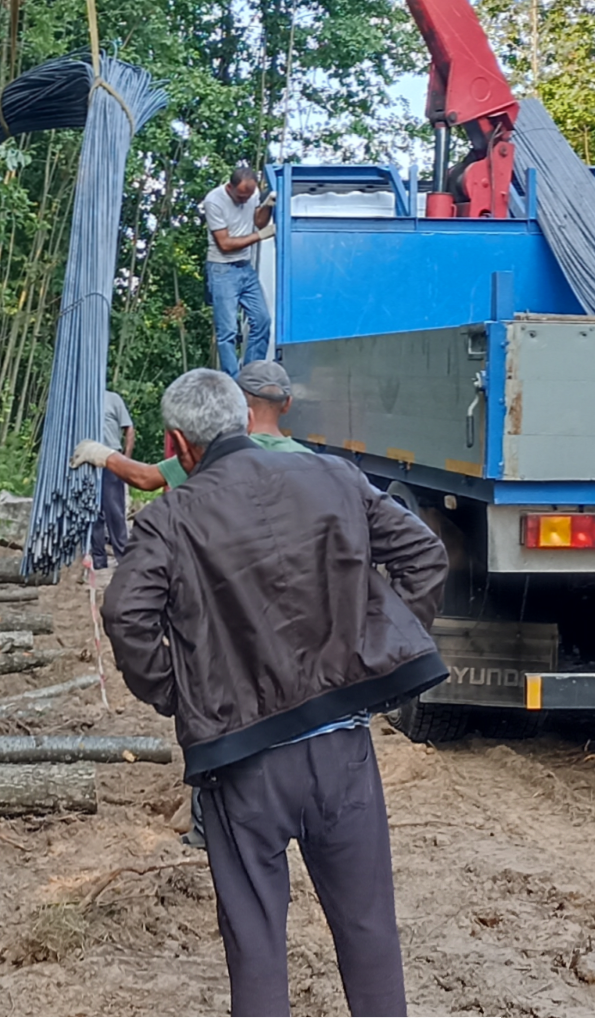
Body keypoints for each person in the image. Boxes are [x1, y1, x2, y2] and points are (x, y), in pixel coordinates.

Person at [101, 369, 448, 1018]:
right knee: (369, 932)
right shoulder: (334, 476)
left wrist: (179, 693)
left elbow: (126, 616)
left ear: (176, 445)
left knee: (256, 947)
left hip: (242, 765)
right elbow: (424, 556)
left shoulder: (169, 520)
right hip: (342, 752)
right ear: (245, 419)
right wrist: (374, 651)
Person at [69, 360, 304, 494]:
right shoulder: (308, 460)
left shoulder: (220, 455)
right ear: (287, 404)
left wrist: (102, 454)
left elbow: (145, 478)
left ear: (238, 400)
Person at [202, 162, 275, 379]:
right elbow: (224, 244)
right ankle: (232, 380)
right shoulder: (214, 201)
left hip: (245, 267)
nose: (244, 201)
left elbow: (259, 223)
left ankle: (251, 375)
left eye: (248, 197)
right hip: (222, 269)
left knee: (262, 321)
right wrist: (259, 237)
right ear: (230, 188)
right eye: (241, 197)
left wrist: (267, 206)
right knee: (228, 332)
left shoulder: (252, 194)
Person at [89, 390, 136, 574]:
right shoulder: (84, 397)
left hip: (111, 459)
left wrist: (126, 459)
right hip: (89, 459)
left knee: (115, 510)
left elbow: (129, 428)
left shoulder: (113, 399)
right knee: (93, 512)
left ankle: (123, 559)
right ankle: (98, 560)